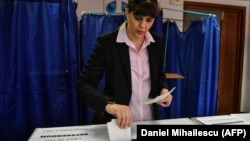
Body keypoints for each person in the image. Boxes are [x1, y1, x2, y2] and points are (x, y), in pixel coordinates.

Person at [76, 0, 172, 128]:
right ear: (127, 13)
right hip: (118, 126)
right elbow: (84, 84)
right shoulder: (107, 43)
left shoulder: (157, 43)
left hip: (150, 122)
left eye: (149, 20)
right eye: (138, 18)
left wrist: (164, 90)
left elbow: (160, 75)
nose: (143, 26)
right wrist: (109, 106)